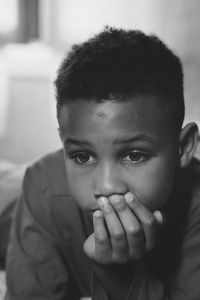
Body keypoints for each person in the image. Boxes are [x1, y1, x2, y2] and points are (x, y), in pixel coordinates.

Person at [5, 27, 200, 300]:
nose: (107, 186)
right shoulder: (43, 187)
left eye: (134, 155)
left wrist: (116, 274)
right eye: (82, 156)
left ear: (184, 147)